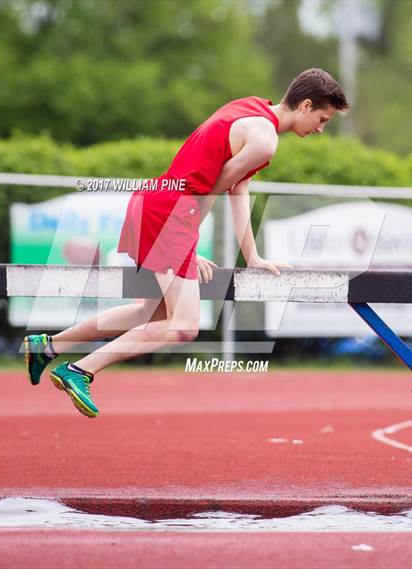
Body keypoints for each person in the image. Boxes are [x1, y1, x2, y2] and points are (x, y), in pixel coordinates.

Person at [24, 68, 349, 418]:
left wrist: (251, 257)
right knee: (184, 326)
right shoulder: (265, 139)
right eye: (322, 119)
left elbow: (236, 187)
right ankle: (80, 370)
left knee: (149, 313)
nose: (320, 129)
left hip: (154, 201)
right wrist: (189, 242)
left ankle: (48, 346)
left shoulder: (252, 107)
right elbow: (214, 187)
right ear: (304, 105)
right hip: (169, 214)